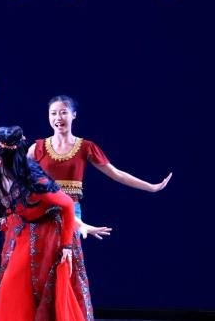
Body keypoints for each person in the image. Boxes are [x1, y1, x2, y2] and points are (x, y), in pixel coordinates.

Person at [28, 95, 171, 321]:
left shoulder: (86, 147)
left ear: (74, 115)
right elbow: (19, 177)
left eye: (63, 112)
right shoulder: (37, 148)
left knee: (67, 266)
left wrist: (151, 187)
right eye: (53, 113)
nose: (58, 117)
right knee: (42, 266)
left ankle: (68, 315)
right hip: (42, 214)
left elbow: (116, 174)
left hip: (70, 214)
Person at [0, 126, 111, 321]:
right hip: (26, 229)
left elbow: (67, 204)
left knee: (45, 291)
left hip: (51, 233)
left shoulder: (33, 180)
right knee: (12, 286)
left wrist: (66, 246)